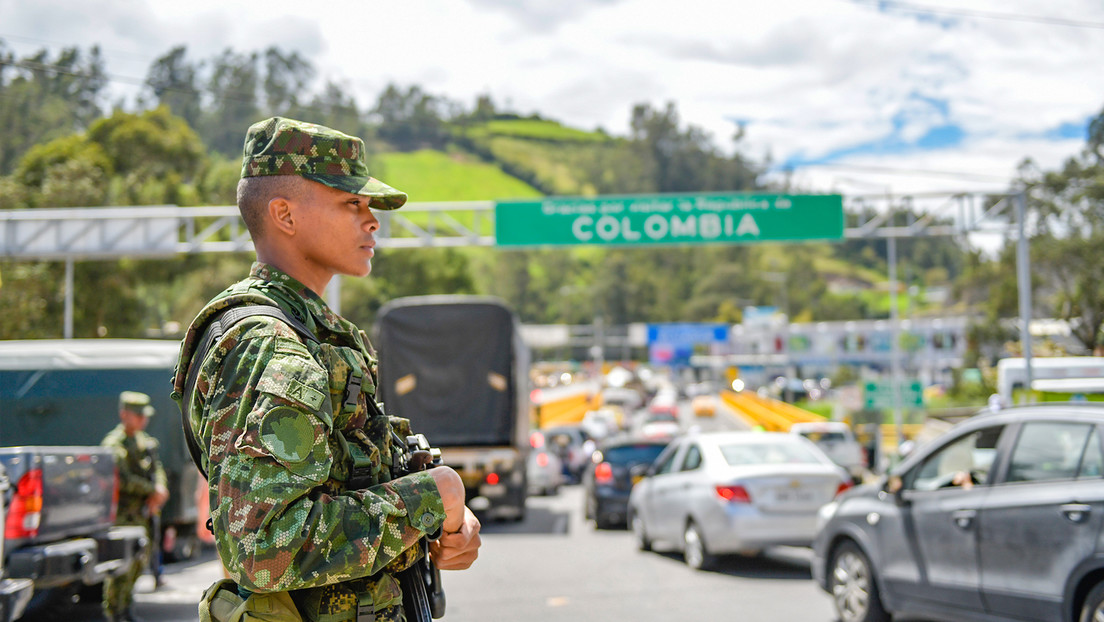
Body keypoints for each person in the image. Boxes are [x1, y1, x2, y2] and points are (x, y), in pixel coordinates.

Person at [171, 117, 480, 622]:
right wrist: (430, 497)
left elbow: (355, 471)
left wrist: (442, 519)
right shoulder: (274, 347)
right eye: (351, 204)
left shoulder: (313, 334)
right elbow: (264, 549)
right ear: (285, 215)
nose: (372, 220)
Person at [101, 391, 170, 622]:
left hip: (143, 513)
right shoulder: (114, 445)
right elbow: (120, 479)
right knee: (121, 567)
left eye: (145, 416)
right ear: (124, 415)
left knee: (139, 563)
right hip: (123, 515)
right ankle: (114, 612)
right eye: (138, 415)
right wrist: (152, 491)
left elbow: (157, 469)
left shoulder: (145, 441)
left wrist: (159, 490)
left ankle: (127, 609)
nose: (143, 420)